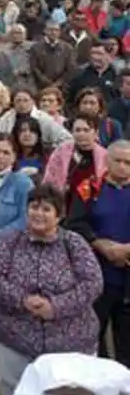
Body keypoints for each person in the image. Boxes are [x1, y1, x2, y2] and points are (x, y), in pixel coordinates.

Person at [0, 184, 102, 395]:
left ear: (59, 216)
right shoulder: (10, 241)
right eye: (34, 207)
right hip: (14, 338)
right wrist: (23, 299)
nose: (39, 213)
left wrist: (55, 306)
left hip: (69, 344)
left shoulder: (74, 243)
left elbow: (92, 282)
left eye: (46, 209)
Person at [67, 138, 130, 365]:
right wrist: (100, 244)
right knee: (93, 339)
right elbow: (74, 224)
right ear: (107, 160)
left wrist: (125, 250)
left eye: (128, 162)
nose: (123, 166)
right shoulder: (89, 188)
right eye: (118, 161)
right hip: (96, 277)